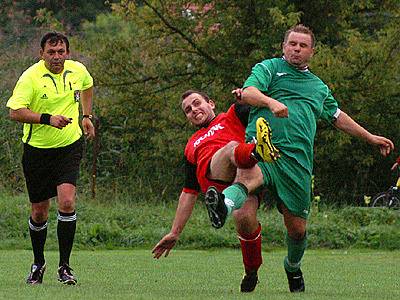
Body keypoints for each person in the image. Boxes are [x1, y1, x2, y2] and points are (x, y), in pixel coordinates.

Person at [204, 24, 395, 293]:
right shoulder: (269, 68)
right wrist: (270, 102)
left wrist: (371, 137)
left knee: (297, 231)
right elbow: (247, 93)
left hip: (297, 162)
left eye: (302, 45)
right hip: (263, 147)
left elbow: (338, 117)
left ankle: (292, 267)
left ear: (312, 52)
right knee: (248, 178)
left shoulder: (318, 87)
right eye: (292, 44)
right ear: (284, 46)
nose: (296, 49)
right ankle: (222, 204)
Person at [152, 89, 277, 292]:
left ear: (211, 103)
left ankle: (251, 271)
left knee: (244, 218)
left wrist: (245, 95)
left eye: (197, 103)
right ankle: (256, 151)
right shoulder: (192, 145)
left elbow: (262, 101)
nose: (193, 110)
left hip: (244, 176)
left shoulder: (232, 115)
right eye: (188, 110)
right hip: (217, 179)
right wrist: (175, 232)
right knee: (230, 148)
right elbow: (189, 191)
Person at [6, 32, 95, 285]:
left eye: (61, 52)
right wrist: (48, 118)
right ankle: (38, 263)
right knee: (39, 212)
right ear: (41, 53)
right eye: (51, 52)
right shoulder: (30, 77)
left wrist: (86, 116)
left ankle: (65, 266)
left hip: (69, 147)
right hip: (37, 151)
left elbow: (88, 85)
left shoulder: (77, 70)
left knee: (67, 202)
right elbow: (15, 112)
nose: (57, 57)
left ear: (68, 53)